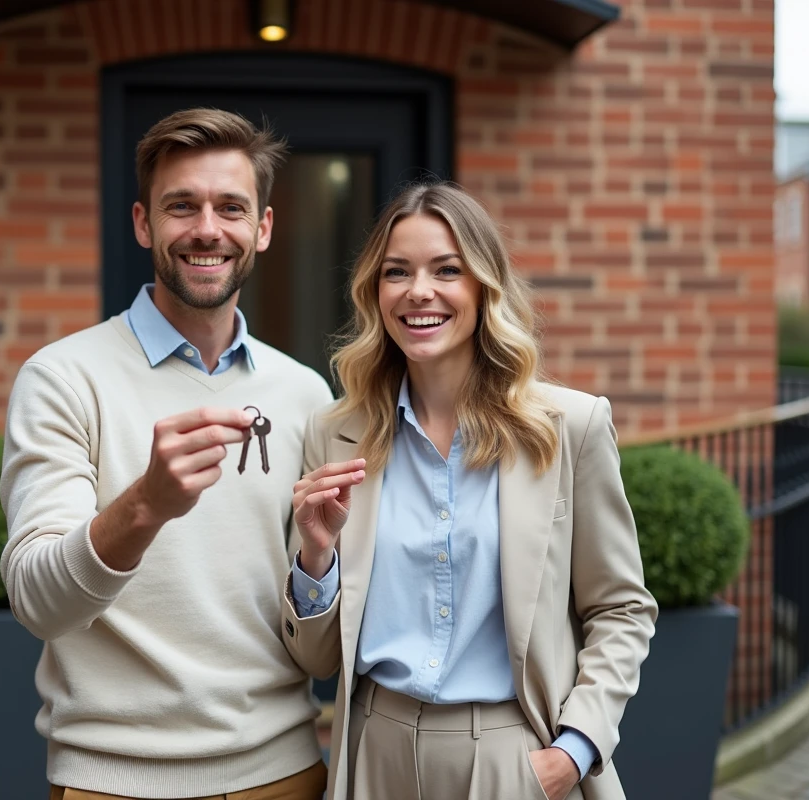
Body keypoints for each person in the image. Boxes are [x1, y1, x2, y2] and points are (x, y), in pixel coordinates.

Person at [279, 182, 658, 800]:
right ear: (376, 294)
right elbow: (318, 661)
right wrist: (316, 557)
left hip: (515, 757)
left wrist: (574, 750)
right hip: (374, 755)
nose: (418, 291)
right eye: (396, 272)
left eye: (446, 270)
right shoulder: (336, 435)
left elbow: (622, 608)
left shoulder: (570, 428)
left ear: (485, 287)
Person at [0, 108, 333, 800]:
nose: (207, 229)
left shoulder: (302, 392)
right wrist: (146, 505)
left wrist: (317, 565)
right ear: (144, 224)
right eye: (182, 206)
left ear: (262, 229)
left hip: (283, 773)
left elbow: (318, 632)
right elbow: (37, 601)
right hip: (113, 780)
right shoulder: (63, 378)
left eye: (231, 208)